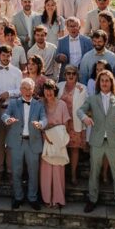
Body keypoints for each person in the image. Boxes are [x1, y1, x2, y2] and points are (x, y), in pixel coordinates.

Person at [78, 69, 115, 218]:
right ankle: (92, 200)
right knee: (94, 172)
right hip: (97, 141)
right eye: (102, 80)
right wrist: (85, 118)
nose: (104, 83)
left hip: (114, 141)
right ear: (99, 83)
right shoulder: (92, 98)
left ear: (111, 83)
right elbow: (80, 111)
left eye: (107, 81)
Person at [2, 77, 46, 209]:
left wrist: (41, 124)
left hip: (33, 142)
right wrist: (8, 119)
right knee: (16, 172)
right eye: (25, 88)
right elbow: (5, 115)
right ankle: (18, 197)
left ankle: (33, 198)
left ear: (33, 90)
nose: (27, 91)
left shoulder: (38, 104)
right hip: (17, 143)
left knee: (33, 172)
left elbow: (44, 118)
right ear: (21, 90)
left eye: (30, 89)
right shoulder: (14, 103)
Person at [0, 46, 23, 183]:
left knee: (12, 142)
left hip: (12, 109)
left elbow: (20, 90)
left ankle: (10, 170)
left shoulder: (17, 72)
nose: (6, 58)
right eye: (3, 55)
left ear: (11, 56)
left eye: (8, 56)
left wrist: (9, 93)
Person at [39, 78, 71, 207]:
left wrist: (59, 138)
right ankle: (47, 199)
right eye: (46, 90)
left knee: (58, 171)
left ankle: (58, 199)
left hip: (59, 141)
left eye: (51, 89)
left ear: (55, 90)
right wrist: (45, 133)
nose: (48, 92)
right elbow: (38, 123)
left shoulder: (62, 104)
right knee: (46, 172)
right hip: (45, 141)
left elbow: (66, 125)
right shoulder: (40, 104)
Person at [58, 65, 87, 187]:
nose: (71, 75)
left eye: (73, 73)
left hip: (75, 123)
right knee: (61, 149)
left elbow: (86, 107)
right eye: (68, 73)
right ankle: (61, 175)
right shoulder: (59, 86)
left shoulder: (82, 88)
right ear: (64, 75)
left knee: (74, 150)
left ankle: (73, 175)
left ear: (77, 75)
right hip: (61, 124)